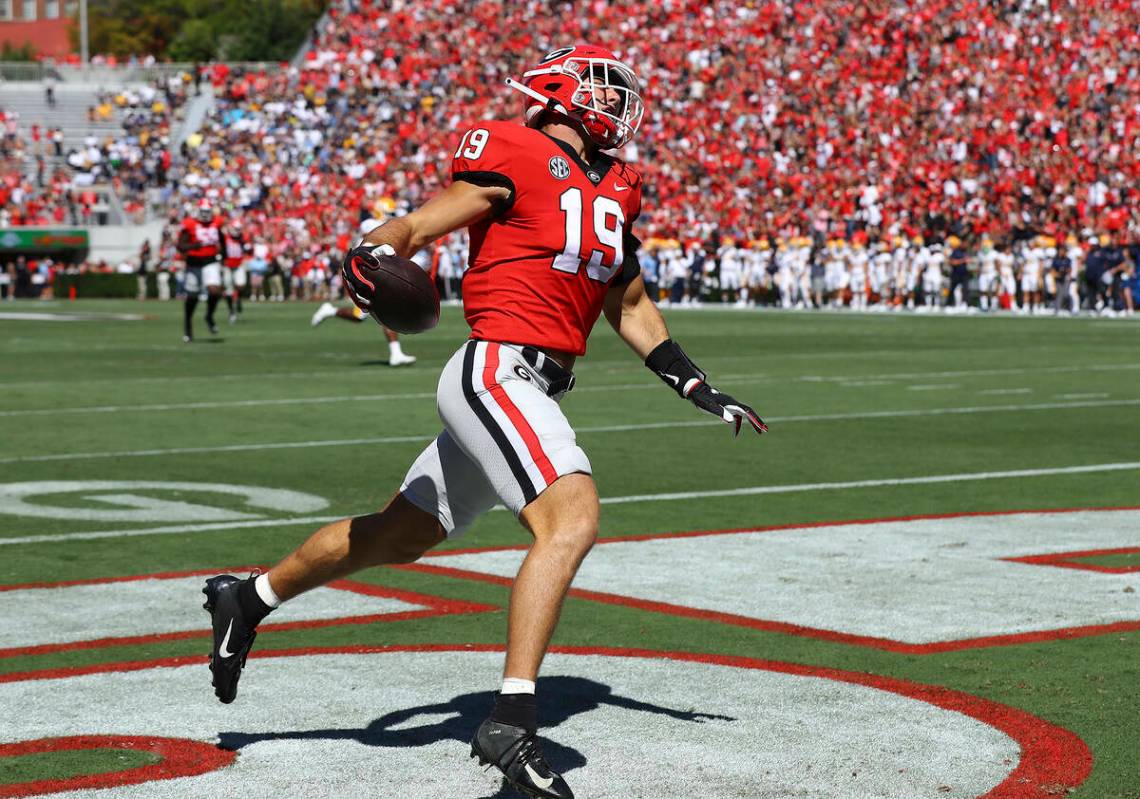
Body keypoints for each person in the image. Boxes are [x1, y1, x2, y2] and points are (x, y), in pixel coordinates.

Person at [200, 45, 766, 799]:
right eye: (601, 86)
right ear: (560, 94)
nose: (618, 102)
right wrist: (378, 247)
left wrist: (694, 381)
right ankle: (511, 722)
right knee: (571, 518)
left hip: (532, 384)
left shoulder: (619, 186)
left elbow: (626, 302)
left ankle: (250, 596)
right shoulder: (516, 152)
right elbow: (424, 222)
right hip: (497, 368)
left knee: (397, 534)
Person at [176, 198, 226, 342]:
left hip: (210, 261)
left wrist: (224, 255)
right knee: (192, 297)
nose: (205, 215)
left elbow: (222, 239)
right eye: (203, 211)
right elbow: (180, 245)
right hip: (194, 263)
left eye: (207, 212)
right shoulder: (190, 224)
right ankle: (188, 327)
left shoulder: (216, 222)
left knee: (215, 291)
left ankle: (209, 316)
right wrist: (193, 247)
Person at [310, 301, 417, 366]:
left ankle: (396, 354)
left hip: (380, 282)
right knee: (364, 315)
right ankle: (330, 310)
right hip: (373, 283)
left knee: (387, 314)